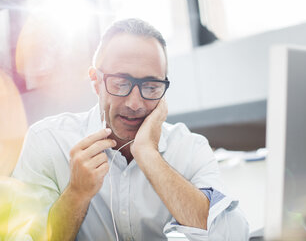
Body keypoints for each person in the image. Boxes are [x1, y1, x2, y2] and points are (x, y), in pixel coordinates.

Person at [12, 18, 249, 240]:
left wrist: (150, 157)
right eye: (121, 83)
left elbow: (233, 234)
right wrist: (76, 194)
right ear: (96, 81)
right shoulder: (47, 141)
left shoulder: (190, 148)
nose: (134, 103)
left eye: (151, 86)